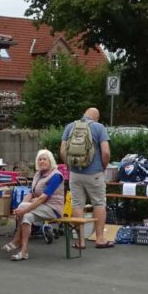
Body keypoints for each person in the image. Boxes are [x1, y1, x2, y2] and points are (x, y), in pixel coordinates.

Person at [60, 107, 112, 249]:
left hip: (75, 174)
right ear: (96, 117)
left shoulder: (70, 126)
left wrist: (69, 166)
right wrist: (102, 167)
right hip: (94, 173)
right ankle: (100, 239)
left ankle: (81, 241)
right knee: (99, 203)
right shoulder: (99, 127)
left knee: (77, 204)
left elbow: (63, 151)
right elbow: (106, 153)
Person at [3, 149, 65, 261]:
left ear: (50, 161)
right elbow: (31, 193)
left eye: (44, 159)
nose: (42, 161)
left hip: (53, 208)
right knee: (26, 217)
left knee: (24, 211)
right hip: (40, 206)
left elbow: (43, 198)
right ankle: (24, 251)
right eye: (40, 159)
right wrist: (21, 206)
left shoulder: (56, 176)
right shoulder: (38, 174)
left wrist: (24, 209)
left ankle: (16, 240)